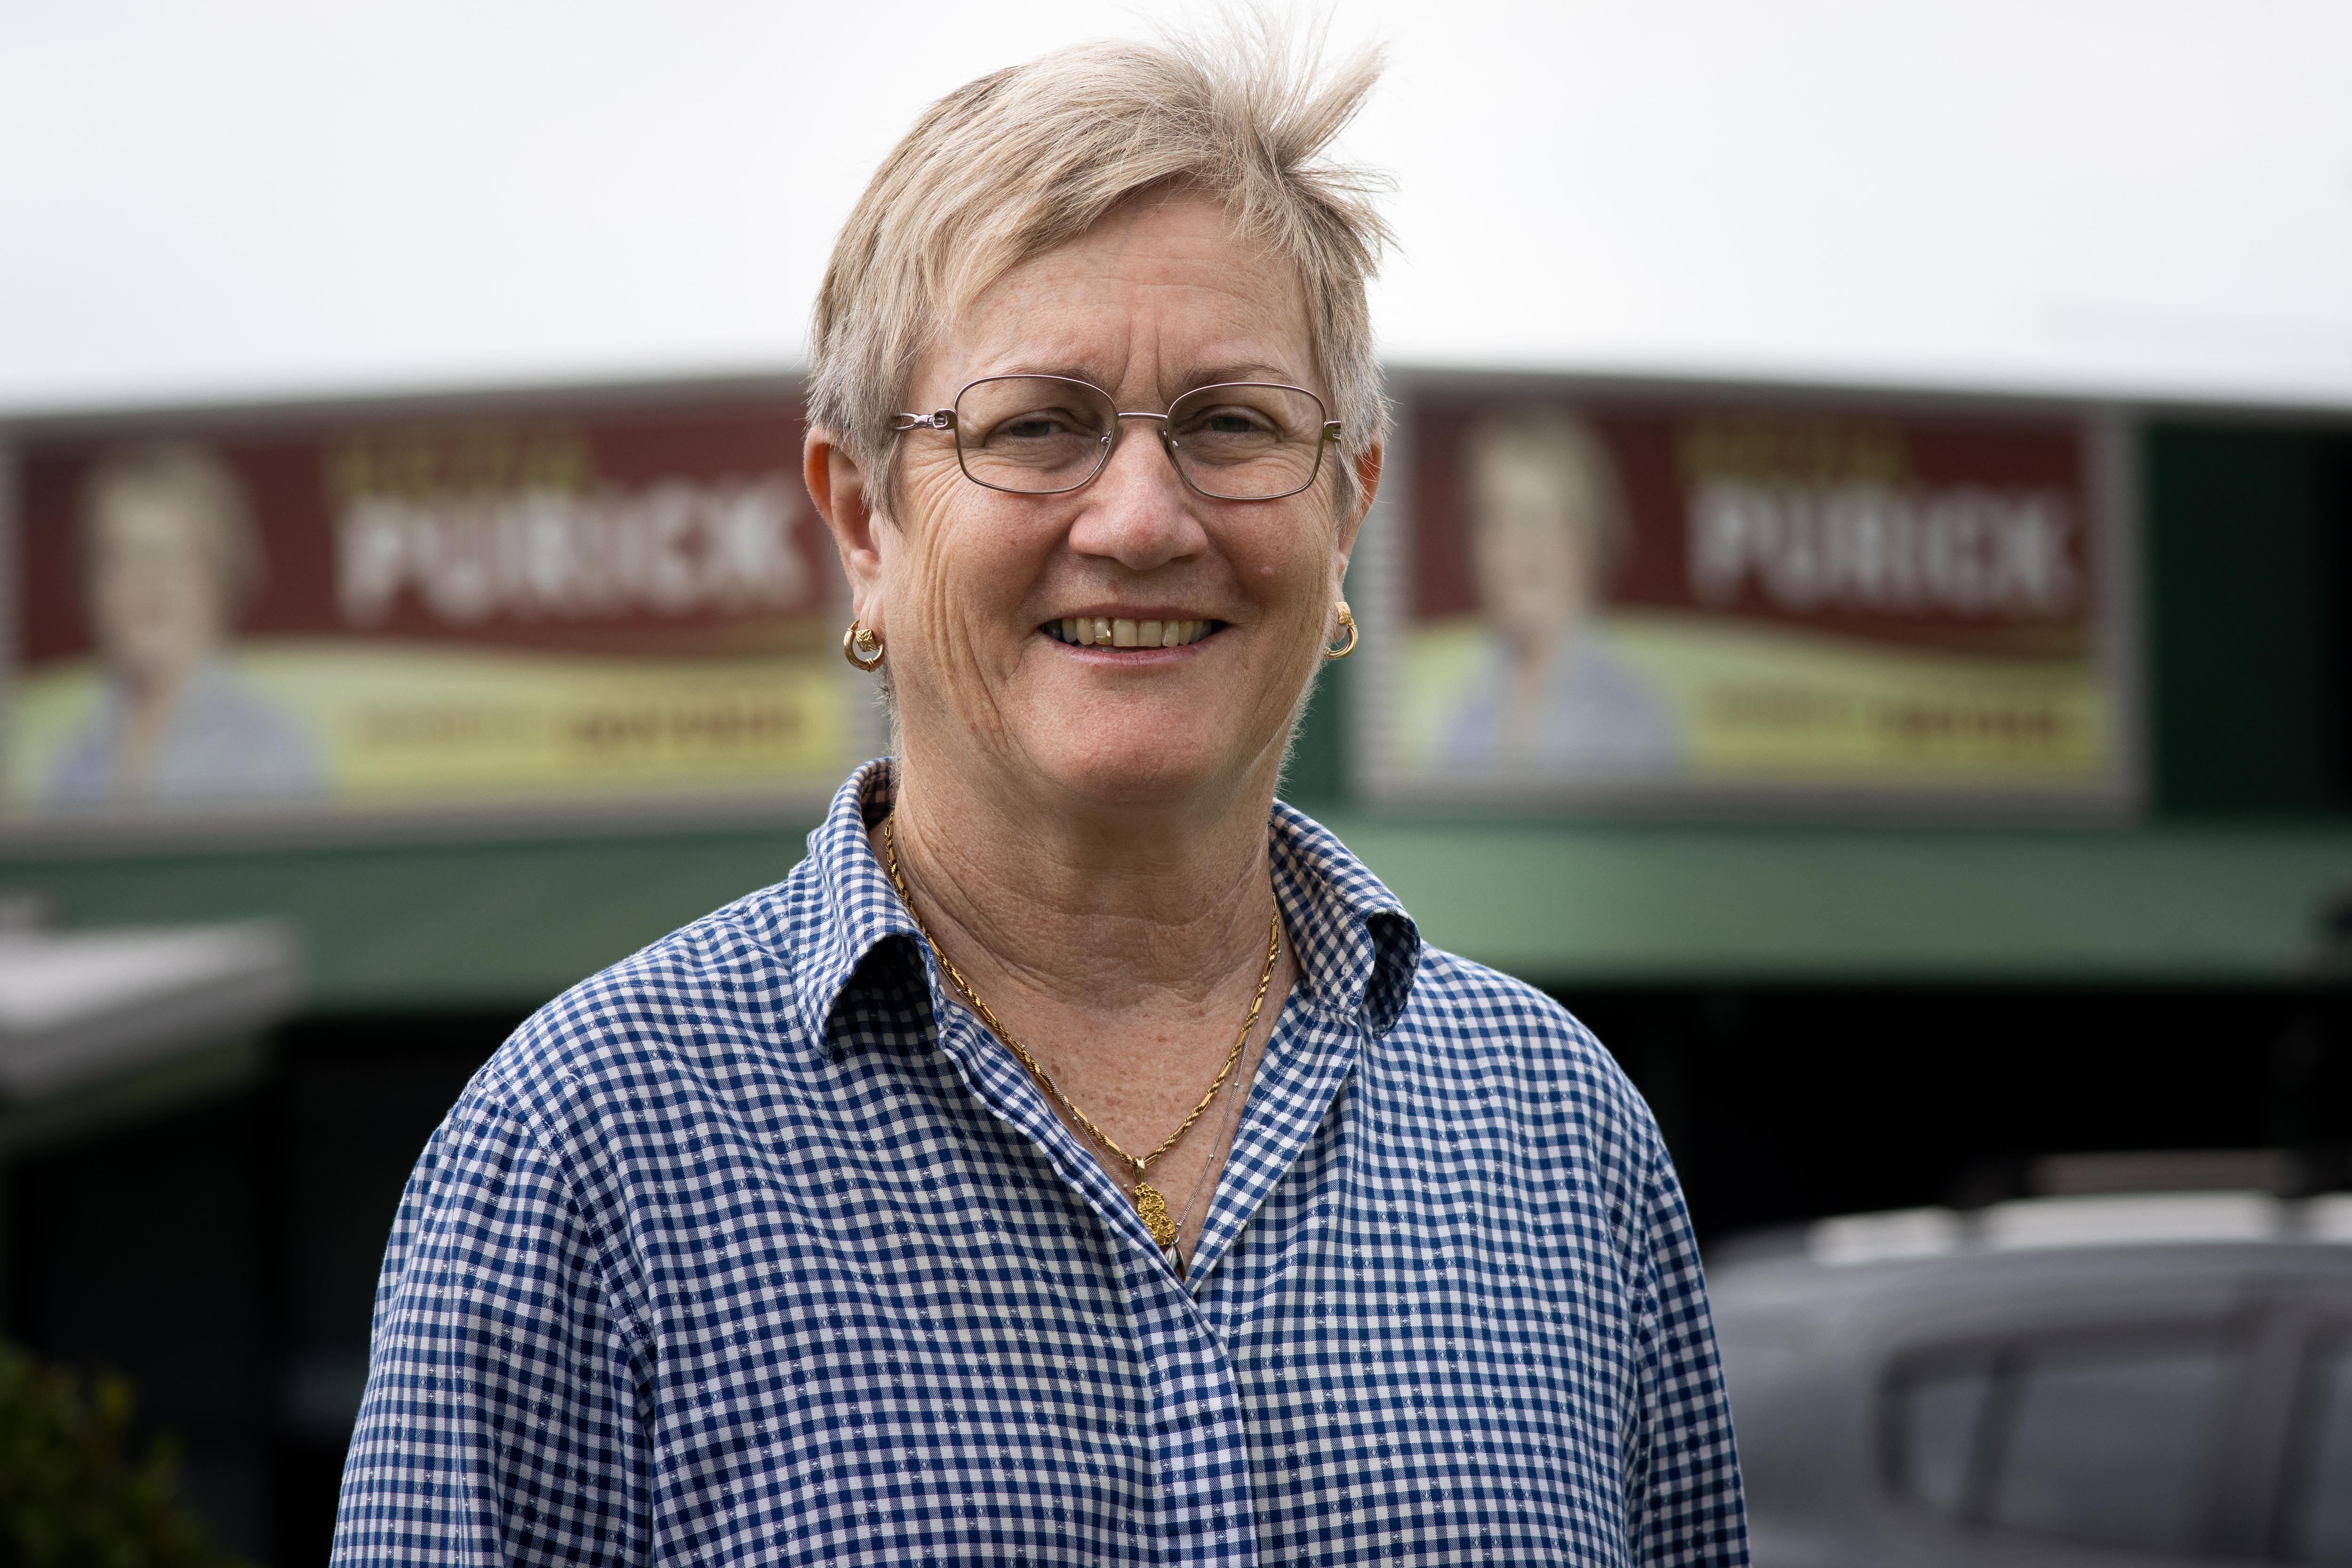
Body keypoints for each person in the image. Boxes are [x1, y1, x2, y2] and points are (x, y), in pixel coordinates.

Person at [334, 29, 1746, 1567]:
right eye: (1034, 426)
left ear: (1350, 508)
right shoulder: (589, 1153)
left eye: (1233, 424)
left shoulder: (1557, 1134)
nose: (1142, 519)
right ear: (864, 517)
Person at [47, 441, 325, 807]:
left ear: (222, 577)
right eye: (122, 557)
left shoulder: (274, 753)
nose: (150, 583)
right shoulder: (68, 761)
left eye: (172, 556)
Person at [1443, 406, 1684, 772]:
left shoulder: (1632, 721)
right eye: (1494, 520)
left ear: (1588, 540)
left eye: (1535, 519)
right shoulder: (1460, 714)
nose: (1514, 548)